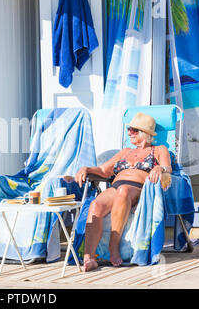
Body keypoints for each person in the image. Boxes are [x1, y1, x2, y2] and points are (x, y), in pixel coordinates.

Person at [64, 112, 172, 272]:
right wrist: (86, 169)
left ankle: (113, 246)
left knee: (123, 191)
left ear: (145, 133)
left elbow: (167, 167)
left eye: (133, 130)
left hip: (138, 188)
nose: (129, 133)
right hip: (116, 186)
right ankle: (89, 257)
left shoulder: (158, 150)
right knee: (96, 205)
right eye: (129, 129)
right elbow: (103, 170)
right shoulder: (125, 152)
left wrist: (158, 167)